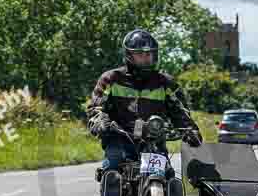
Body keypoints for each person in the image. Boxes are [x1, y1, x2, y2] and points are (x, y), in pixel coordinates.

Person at [86, 28, 203, 173]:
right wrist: (101, 122)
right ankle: (110, 192)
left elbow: (180, 112)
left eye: (149, 54)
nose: (146, 58)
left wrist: (190, 130)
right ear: (129, 55)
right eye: (140, 54)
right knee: (112, 171)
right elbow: (95, 109)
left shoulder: (165, 82)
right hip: (120, 140)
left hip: (154, 143)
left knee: (170, 177)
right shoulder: (111, 79)